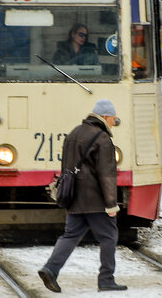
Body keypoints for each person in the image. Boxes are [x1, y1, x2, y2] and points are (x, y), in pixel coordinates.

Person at [38, 99, 127, 293]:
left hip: (74, 196)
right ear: (104, 117)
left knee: (70, 235)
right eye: (113, 119)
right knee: (109, 236)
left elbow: (65, 168)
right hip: (95, 199)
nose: (114, 122)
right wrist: (111, 204)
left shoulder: (74, 133)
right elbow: (107, 175)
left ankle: (51, 269)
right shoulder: (102, 139)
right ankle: (106, 279)